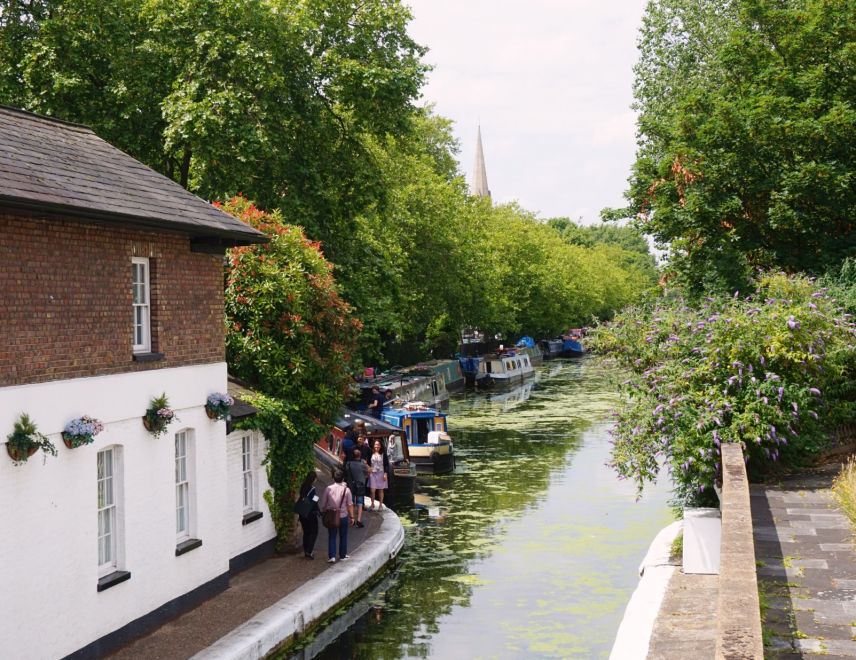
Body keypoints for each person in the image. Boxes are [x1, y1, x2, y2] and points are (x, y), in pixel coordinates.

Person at [319, 468, 354, 563]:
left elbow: (323, 504)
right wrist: (352, 517)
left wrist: (325, 511)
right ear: (343, 479)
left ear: (333, 478)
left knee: (332, 535)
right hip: (343, 516)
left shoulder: (328, 489)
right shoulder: (347, 490)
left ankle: (332, 556)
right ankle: (342, 555)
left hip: (332, 516)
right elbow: (350, 504)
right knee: (343, 536)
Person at [296, 471, 320, 559]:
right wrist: (318, 511)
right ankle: (309, 551)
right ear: (313, 479)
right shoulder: (312, 489)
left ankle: (306, 550)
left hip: (302, 513)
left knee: (306, 532)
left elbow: (304, 498)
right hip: (310, 513)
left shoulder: (303, 486)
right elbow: (314, 501)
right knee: (314, 532)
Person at [345, 447, 369, 528]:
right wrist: (366, 464)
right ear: (360, 455)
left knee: (350, 502)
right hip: (360, 486)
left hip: (351, 486)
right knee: (359, 503)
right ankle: (358, 520)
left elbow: (346, 472)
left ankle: (352, 518)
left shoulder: (348, 464)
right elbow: (370, 471)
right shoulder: (362, 464)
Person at [368, 439, 389, 511]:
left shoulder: (383, 454)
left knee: (380, 490)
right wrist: (369, 469)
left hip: (381, 473)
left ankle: (380, 505)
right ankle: (372, 504)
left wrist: (385, 474)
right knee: (372, 490)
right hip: (372, 474)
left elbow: (386, 465)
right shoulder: (371, 453)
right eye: (376, 444)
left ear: (381, 446)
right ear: (373, 445)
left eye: (378, 445)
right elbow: (368, 463)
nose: (377, 446)